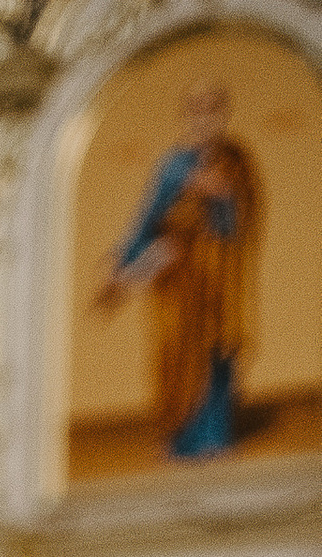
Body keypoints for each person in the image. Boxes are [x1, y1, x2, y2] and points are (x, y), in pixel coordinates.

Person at [99, 79, 262, 460]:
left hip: (222, 273)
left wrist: (223, 197)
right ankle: (179, 439)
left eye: (214, 110)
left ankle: (216, 439)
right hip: (177, 278)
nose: (207, 119)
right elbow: (148, 218)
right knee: (175, 352)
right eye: (198, 111)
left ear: (224, 115)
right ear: (187, 116)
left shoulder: (236, 160)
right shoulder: (173, 165)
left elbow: (245, 216)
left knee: (219, 353)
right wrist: (121, 263)